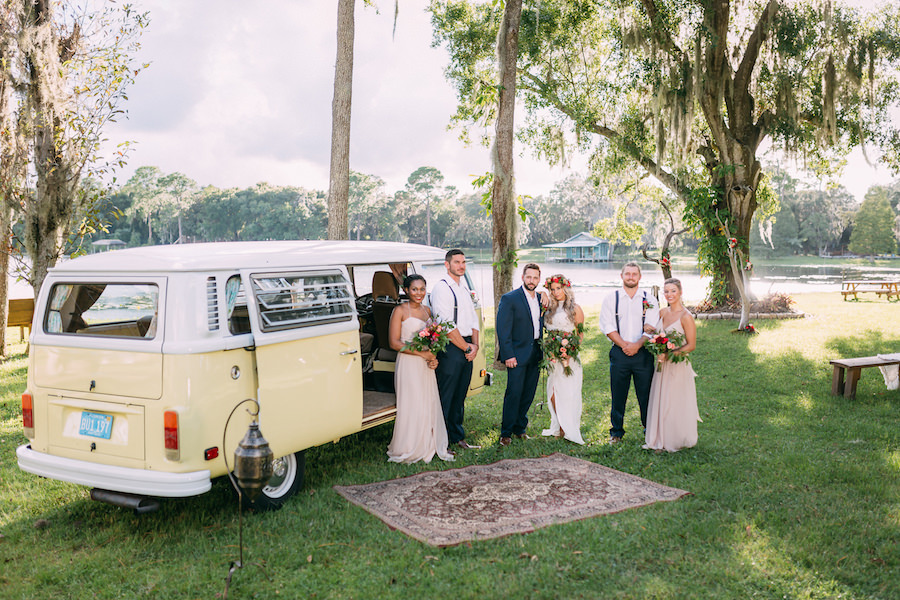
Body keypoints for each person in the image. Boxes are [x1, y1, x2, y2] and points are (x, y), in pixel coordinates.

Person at [386, 275, 455, 464]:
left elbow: (433, 339)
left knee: (428, 401)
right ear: (406, 290)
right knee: (412, 402)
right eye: (414, 289)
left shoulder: (428, 310)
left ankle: (429, 443)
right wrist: (421, 354)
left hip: (426, 362)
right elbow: (393, 343)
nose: (419, 293)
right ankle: (409, 446)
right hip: (409, 362)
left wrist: (433, 358)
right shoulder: (399, 310)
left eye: (422, 289)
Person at [599, 261, 660, 444]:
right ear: (622, 276)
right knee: (618, 394)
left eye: (634, 274)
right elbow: (607, 325)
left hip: (643, 354)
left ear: (640, 277)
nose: (631, 277)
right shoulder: (611, 298)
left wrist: (637, 345)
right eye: (628, 274)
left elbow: (652, 326)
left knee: (646, 394)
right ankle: (616, 432)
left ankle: (649, 430)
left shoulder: (650, 300)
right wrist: (624, 345)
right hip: (619, 352)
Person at [431, 249, 481, 450]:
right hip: (451, 348)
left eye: (463, 262)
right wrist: (466, 347)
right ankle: (439, 442)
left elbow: (473, 320)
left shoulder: (463, 288)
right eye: (457, 262)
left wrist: (475, 345)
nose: (461, 265)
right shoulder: (442, 289)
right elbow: (446, 325)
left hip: (467, 345)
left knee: (460, 394)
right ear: (447, 264)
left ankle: (457, 437)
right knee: (446, 395)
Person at [643, 278, 700, 452]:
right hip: (662, 365)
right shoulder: (661, 313)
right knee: (661, 398)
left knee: (674, 400)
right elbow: (650, 331)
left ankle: (674, 439)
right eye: (666, 291)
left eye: (673, 291)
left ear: (680, 292)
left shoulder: (686, 317)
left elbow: (691, 345)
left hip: (677, 364)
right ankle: (659, 437)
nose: (669, 295)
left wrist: (669, 355)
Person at [496, 263, 544, 447]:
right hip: (516, 354)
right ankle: (505, 432)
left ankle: (519, 428)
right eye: (529, 277)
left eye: (535, 278)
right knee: (514, 393)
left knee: (528, 393)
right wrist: (508, 355)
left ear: (539, 279)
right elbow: (503, 329)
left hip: (535, 354)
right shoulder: (510, 299)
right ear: (523, 277)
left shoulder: (540, 298)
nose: (532, 281)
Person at [540, 274, 586, 445]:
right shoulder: (549, 308)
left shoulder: (575, 308)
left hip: (569, 357)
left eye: (558, 288)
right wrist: (542, 293)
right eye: (552, 289)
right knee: (552, 391)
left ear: (565, 288)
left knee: (568, 392)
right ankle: (559, 424)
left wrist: (570, 350)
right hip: (552, 356)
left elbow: (579, 334)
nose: (555, 292)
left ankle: (568, 427)